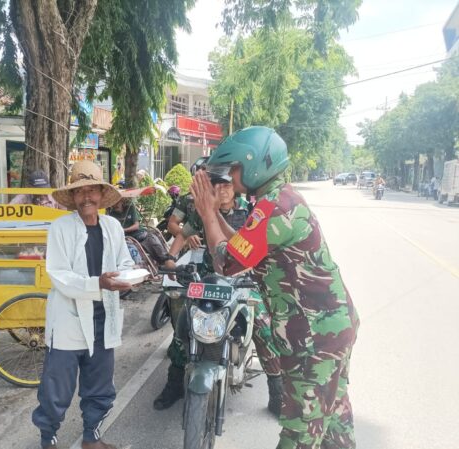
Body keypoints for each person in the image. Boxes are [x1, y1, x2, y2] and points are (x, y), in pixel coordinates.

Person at [190, 126, 359, 449]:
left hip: (314, 340)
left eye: (233, 169)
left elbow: (226, 263)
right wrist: (213, 215)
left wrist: (208, 213)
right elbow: (240, 248)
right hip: (327, 332)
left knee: (298, 434)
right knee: (333, 425)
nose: (230, 179)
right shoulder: (275, 200)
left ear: (255, 165)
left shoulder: (276, 208)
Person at [153, 172, 283, 415]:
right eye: (217, 185)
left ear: (236, 188)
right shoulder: (202, 210)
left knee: (264, 328)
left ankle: (277, 390)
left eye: (227, 184)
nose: (222, 189)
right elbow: (181, 234)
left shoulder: (250, 211)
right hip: (207, 280)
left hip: (243, 280)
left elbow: (257, 248)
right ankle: (174, 384)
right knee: (185, 327)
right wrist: (171, 259)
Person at [32, 161, 135, 449]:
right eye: (80, 191)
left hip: (105, 317)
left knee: (100, 386)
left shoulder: (113, 226)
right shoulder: (60, 228)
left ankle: (92, 438)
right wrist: (98, 284)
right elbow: (60, 275)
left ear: (102, 194)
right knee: (57, 389)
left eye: (92, 190)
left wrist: (130, 276)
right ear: (73, 198)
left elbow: (124, 262)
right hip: (68, 319)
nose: (86, 197)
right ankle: (48, 440)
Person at [107, 197, 172, 265]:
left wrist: (123, 230)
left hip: (141, 234)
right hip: (127, 239)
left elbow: (136, 226)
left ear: (122, 201)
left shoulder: (130, 208)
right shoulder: (111, 215)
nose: (116, 204)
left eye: (118, 201)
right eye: (114, 202)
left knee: (162, 254)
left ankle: (168, 264)